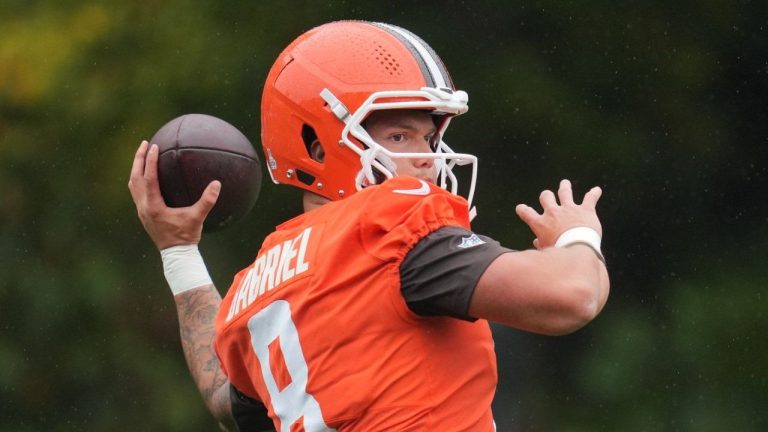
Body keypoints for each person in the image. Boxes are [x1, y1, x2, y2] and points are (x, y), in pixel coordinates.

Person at [129, 21, 609, 431]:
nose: (425, 158)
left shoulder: (253, 289)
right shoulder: (390, 222)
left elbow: (225, 399)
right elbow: (572, 297)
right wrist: (577, 235)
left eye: (429, 137)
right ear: (316, 147)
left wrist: (179, 251)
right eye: (398, 136)